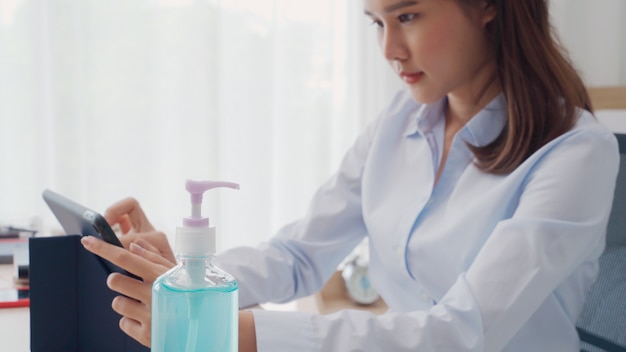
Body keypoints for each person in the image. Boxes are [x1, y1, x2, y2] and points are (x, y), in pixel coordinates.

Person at [81, 0, 620, 350]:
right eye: (377, 23)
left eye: (407, 16)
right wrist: (192, 280)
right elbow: (297, 256)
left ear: (485, 6)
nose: (389, 50)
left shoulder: (576, 153)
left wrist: (225, 332)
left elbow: (462, 332)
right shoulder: (399, 123)